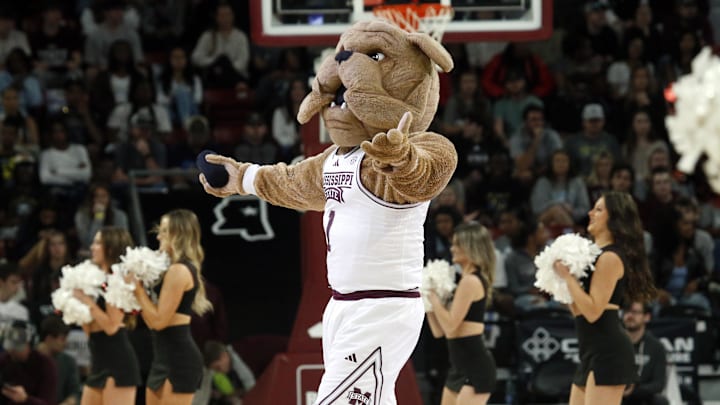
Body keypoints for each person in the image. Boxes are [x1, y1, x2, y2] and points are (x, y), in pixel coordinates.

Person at [553, 191, 657, 405]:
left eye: (599, 209)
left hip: (608, 352)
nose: (590, 212)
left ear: (615, 217)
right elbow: (580, 312)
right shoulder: (593, 257)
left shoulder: (609, 257)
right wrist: (564, 285)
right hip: (591, 351)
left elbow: (593, 312)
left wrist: (567, 277)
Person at [129, 209, 212, 404]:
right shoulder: (172, 270)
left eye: (164, 231)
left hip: (179, 360)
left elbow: (158, 322)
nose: (158, 236)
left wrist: (138, 290)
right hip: (163, 356)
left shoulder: (179, 270)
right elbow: (152, 323)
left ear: (178, 235)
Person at [426, 223, 497, 405]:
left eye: (457, 244)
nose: (452, 248)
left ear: (470, 247)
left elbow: (450, 325)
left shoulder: (471, 281)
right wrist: (428, 301)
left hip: (475, 368)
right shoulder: (462, 282)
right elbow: (439, 331)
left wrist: (433, 297)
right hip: (458, 367)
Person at [72, 227, 141, 404]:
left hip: (118, 363)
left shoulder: (116, 280)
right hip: (98, 359)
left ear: (111, 248)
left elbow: (111, 327)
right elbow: (90, 331)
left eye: (97, 243)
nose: (92, 247)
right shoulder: (94, 279)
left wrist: (86, 300)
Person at [0, 319, 57, 405]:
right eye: (11, 346)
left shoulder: (45, 365)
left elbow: (48, 402)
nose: (13, 350)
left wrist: (26, 399)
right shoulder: (4, 360)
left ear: (30, 345)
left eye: (18, 347)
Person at [621, 301, 669, 405]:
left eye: (635, 312)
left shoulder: (657, 347)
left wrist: (633, 391)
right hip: (617, 394)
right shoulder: (614, 344)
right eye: (626, 312)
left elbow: (659, 384)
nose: (629, 315)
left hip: (642, 396)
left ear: (647, 317)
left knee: (661, 402)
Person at [36, 314, 81, 405]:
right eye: (62, 339)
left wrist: (68, 402)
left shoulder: (68, 362)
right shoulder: (29, 359)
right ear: (49, 339)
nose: (66, 343)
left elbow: (75, 393)